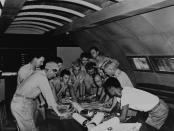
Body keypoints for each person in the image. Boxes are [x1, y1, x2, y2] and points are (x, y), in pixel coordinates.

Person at [11, 61, 68, 131]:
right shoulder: (42, 78)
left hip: (21, 102)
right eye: (54, 73)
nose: (55, 76)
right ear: (49, 70)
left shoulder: (39, 73)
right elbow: (49, 97)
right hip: (21, 104)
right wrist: (60, 113)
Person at [103, 77, 169, 130]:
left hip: (159, 110)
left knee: (149, 128)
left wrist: (109, 120)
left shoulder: (125, 95)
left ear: (111, 88)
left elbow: (123, 118)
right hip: (156, 108)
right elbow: (118, 106)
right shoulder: (124, 90)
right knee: (145, 126)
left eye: (107, 90)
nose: (108, 92)